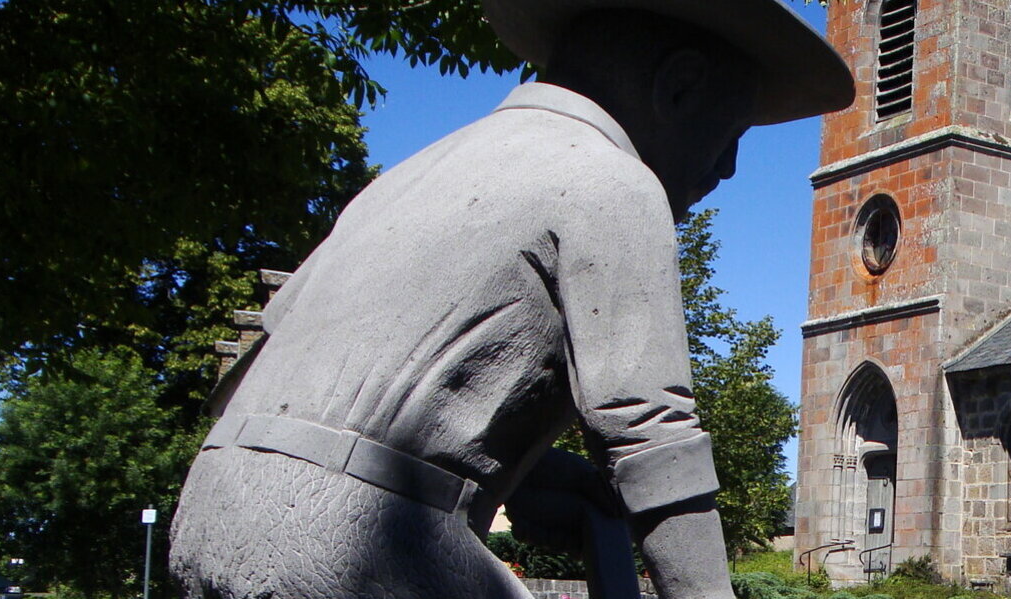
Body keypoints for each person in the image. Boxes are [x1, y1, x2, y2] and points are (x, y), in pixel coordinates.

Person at [167, 2, 852, 598]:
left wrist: (530, 474)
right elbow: (650, 432)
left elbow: (294, 381)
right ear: (679, 87)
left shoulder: (410, 176)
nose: (728, 167)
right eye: (729, 136)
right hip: (353, 543)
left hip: (207, 507)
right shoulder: (611, 181)